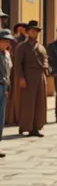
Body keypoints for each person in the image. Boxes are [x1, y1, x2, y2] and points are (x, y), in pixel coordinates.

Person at [14, 20, 49, 137]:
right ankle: (26, 126)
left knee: (40, 103)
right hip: (28, 77)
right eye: (33, 31)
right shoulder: (22, 47)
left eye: (37, 31)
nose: (35, 33)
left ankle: (36, 127)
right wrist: (21, 78)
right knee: (28, 103)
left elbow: (45, 60)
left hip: (40, 77)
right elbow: (18, 64)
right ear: (28, 32)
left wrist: (46, 70)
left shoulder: (41, 47)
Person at [5, 22, 26, 127]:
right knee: (12, 93)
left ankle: (18, 117)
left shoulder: (24, 40)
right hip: (12, 70)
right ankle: (11, 117)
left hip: (20, 69)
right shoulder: (13, 41)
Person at [0, 29, 14, 158]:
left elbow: (8, 72)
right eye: (4, 41)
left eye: (7, 41)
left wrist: (8, 88)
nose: (6, 43)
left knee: (1, 118)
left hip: (4, 87)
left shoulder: (7, 55)